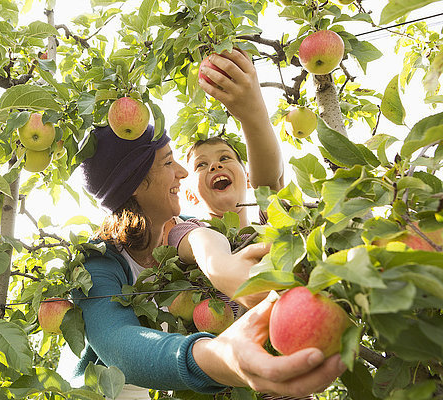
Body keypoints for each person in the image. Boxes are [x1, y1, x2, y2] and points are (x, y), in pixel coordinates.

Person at [73, 121, 346, 399]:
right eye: (168, 162)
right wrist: (220, 357)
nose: (181, 172)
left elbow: (199, 238)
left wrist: (221, 265)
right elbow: (118, 344)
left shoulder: (185, 229)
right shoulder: (99, 261)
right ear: (134, 182)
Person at [167, 48, 284, 309]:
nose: (215, 165)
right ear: (189, 194)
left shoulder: (267, 228)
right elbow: (200, 245)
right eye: (201, 164)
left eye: (226, 158)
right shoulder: (186, 230)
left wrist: (252, 114)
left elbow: (270, 180)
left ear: (248, 178)